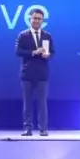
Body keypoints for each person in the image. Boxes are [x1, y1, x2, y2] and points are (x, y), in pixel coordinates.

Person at [15, 8, 54, 136]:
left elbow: (52, 52)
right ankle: (27, 128)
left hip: (42, 73)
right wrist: (33, 52)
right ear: (30, 19)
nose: (36, 21)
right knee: (27, 103)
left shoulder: (47, 36)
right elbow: (18, 51)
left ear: (42, 21)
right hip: (27, 73)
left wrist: (48, 55)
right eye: (34, 18)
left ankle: (43, 128)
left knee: (42, 103)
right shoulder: (23, 35)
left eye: (39, 19)